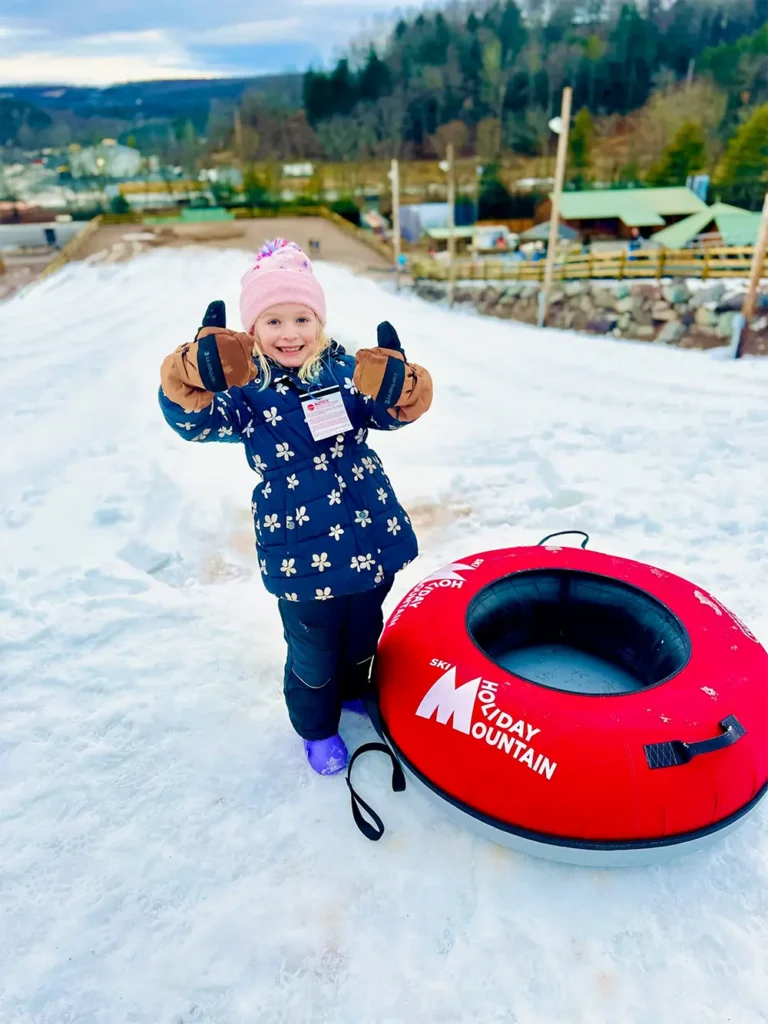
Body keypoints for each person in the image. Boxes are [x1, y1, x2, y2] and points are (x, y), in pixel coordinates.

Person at [158, 239, 433, 776]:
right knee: (312, 649)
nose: (290, 334)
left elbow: (388, 413)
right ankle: (317, 728)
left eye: (302, 318)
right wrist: (185, 377)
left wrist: (405, 390)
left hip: (368, 534)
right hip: (301, 555)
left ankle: (355, 692)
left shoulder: (347, 370)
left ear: (319, 321)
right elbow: (193, 420)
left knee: (362, 630)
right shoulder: (245, 391)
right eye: (273, 321)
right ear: (252, 331)